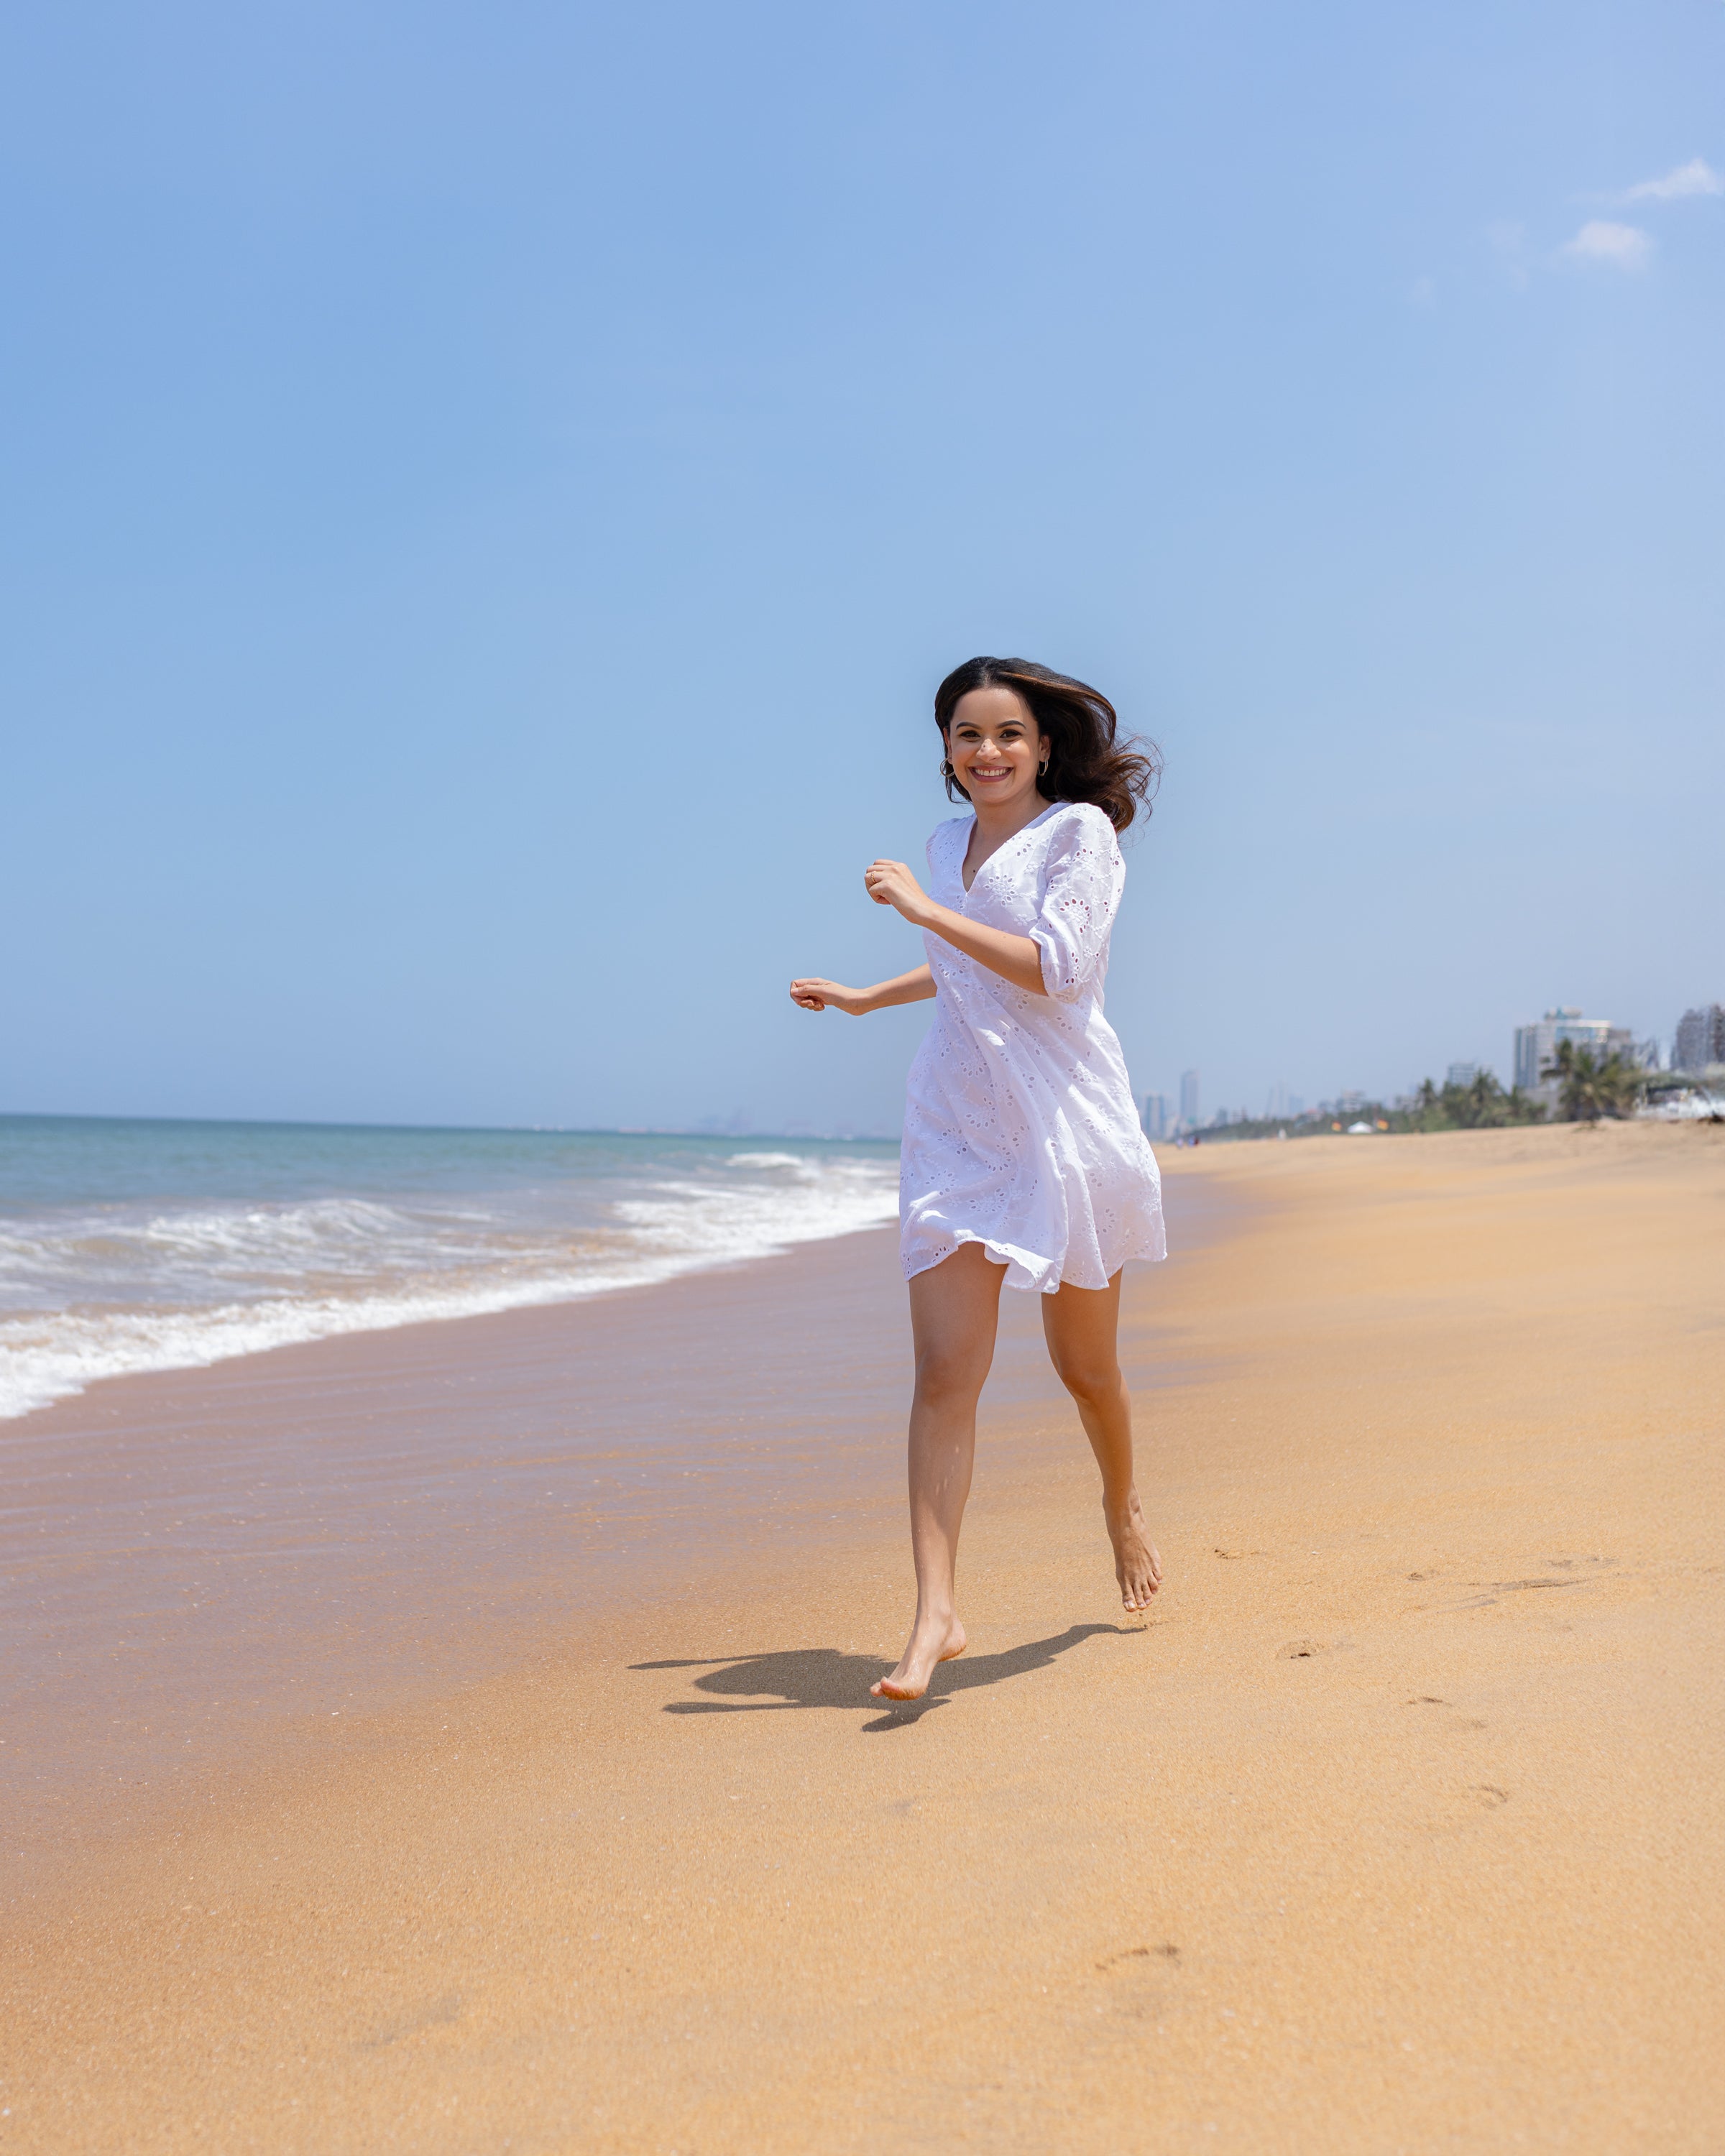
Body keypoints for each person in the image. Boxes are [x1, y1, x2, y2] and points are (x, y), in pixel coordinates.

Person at [790, 657, 1167, 1700]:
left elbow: (1055, 966)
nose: (987, 752)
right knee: (945, 1374)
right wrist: (871, 996)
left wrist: (920, 907)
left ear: (1045, 745)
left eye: (1007, 733)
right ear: (947, 753)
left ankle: (1121, 1504)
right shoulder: (945, 844)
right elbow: (962, 964)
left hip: (1061, 1122)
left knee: (1086, 1370)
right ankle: (935, 1615)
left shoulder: (1078, 835)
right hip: (958, 1121)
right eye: (966, 734)